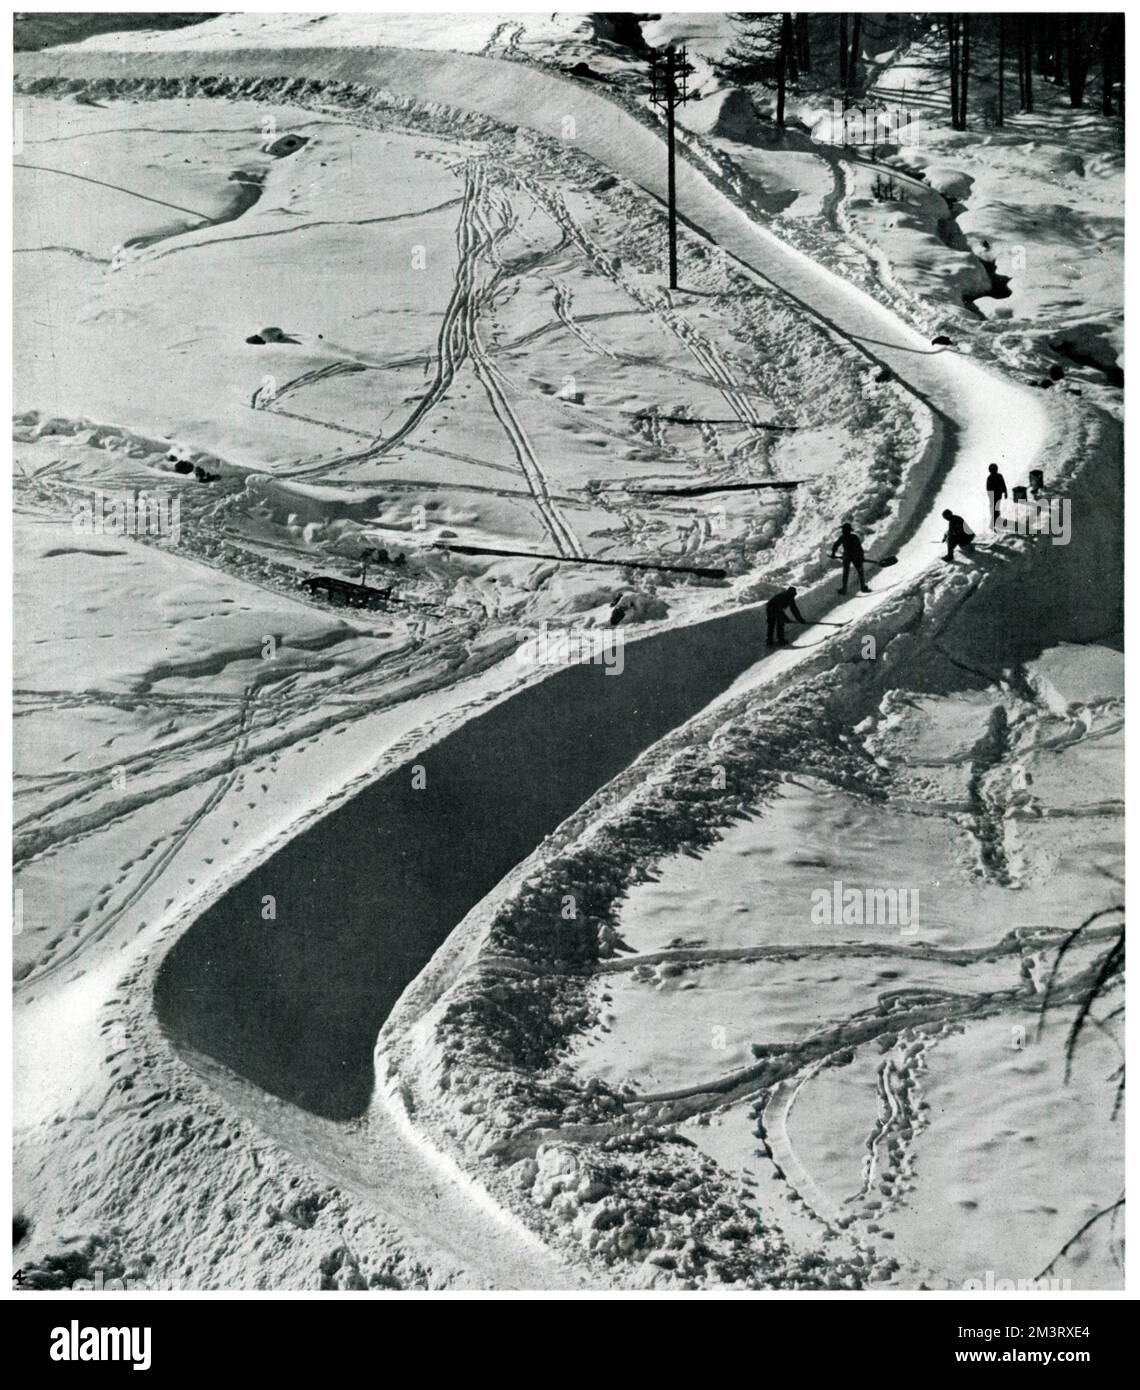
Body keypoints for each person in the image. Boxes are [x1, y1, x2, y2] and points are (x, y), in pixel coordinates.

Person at [830, 523, 870, 595]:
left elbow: (836, 545)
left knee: (846, 573)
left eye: (843, 529)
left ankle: (844, 589)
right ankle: (863, 587)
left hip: (847, 556)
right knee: (860, 571)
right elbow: (859, 548)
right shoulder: (854, 537)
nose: (842, 531)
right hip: (855, 556)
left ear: (846, 530)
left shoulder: (843, 537)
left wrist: (833, 554)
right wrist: (862, 557)